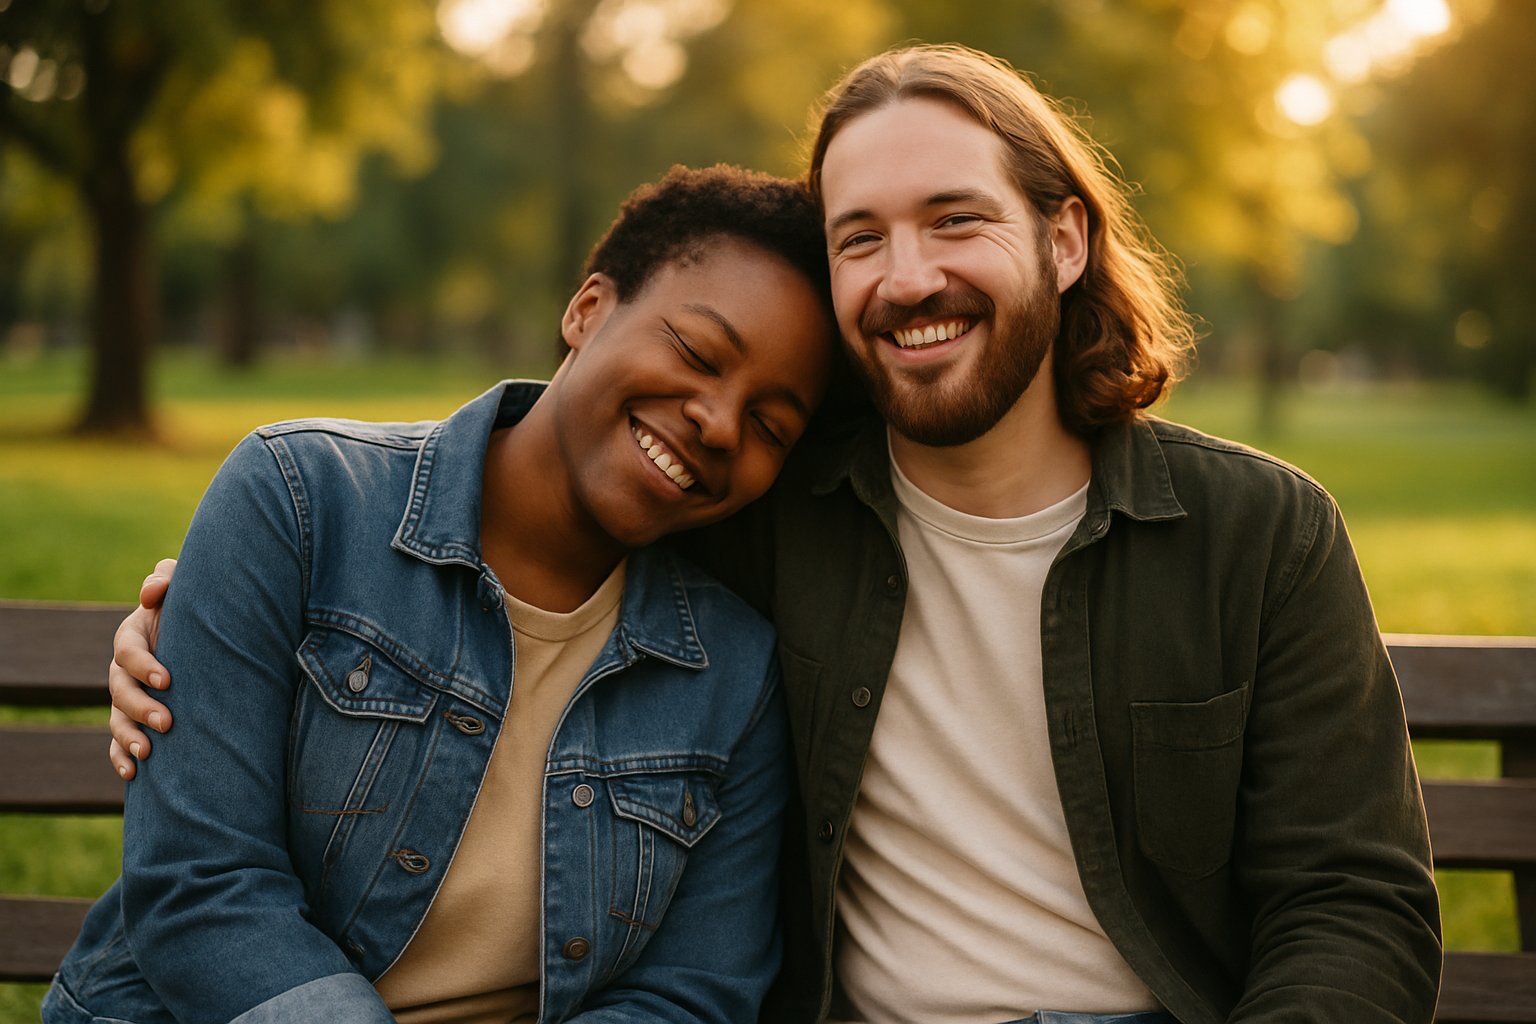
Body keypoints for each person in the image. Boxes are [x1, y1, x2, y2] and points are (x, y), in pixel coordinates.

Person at [105, 44, 1442, 1024]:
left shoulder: (1261, 535)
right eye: (862, 238)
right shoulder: (767, 519)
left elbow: (1353, 907)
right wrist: (194, 611)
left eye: (956, 221)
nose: (909, 275)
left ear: (1068, 239)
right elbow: (516, 529)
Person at [45, 165, 839, 1024]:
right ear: (588, 309)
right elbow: (201, 888)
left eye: (769, 425)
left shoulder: (732, 674)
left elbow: (689, 996)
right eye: (695, 352)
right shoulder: (301, 500)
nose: (720, 423)